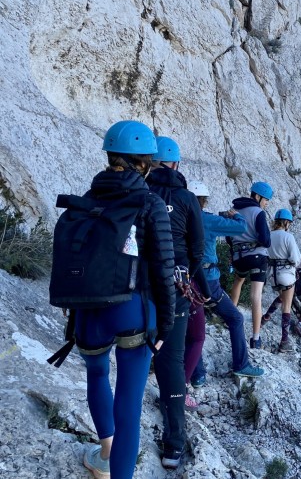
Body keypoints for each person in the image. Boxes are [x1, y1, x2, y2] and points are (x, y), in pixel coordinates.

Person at [77, 120, 176, 478]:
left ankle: (104, 453)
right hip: (133, 311)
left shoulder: (86, 199)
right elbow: (165, 269)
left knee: (96, 374)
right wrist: (165, 323)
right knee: (129, 404)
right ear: (146, 162)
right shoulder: (150, 203)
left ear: (109, 155)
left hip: (89, 311)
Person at [146, 135, 210, 469]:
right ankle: (173, 446)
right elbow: (197, 246)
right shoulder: (186, 198)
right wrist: (184, 273)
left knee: (137, 348)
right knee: (171, 359)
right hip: (176, 283)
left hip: (140, 283)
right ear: (176, 164)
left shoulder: (139, 192)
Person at [186, 181, 264, 395]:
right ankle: (241, 365)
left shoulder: (180, 218)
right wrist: (232, 215)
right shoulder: (208, 219)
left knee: (194, 326)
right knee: (235, 318)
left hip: (185, 278)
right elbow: (241, 227)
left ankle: (197, 374)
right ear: (204, 200)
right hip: (208, 280)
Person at [228, 182, 272, 349]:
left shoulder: (235, 210)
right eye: (266, 199)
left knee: (239, 281)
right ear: (258, 197)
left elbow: (228, 236)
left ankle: (230, 315)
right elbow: (265, 241)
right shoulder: (258, 213)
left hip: (239, 256)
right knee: (256, 296)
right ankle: (255, 338)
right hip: (257, 257)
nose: (266, 203)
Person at [266, 209, 301, 352]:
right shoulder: (288, 237)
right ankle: (284, 341)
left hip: (272, 276)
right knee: (286, 306)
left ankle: (265, 317)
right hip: (286, 274)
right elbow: (296, 259)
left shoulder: (268, 235)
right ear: (286, 222)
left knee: (282, 296)